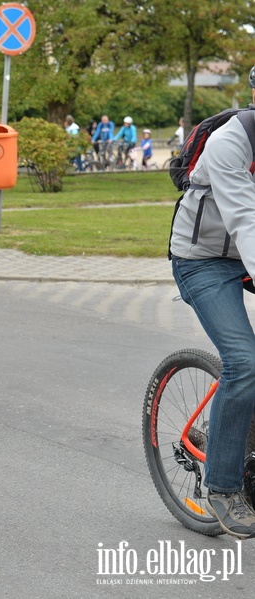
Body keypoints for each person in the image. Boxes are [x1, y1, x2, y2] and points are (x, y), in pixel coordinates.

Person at [168, 66, 255, 539]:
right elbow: (246, 220)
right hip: (202, 260)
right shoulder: (229, 144)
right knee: (245, 361)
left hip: (246, 253)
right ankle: (222, 487)